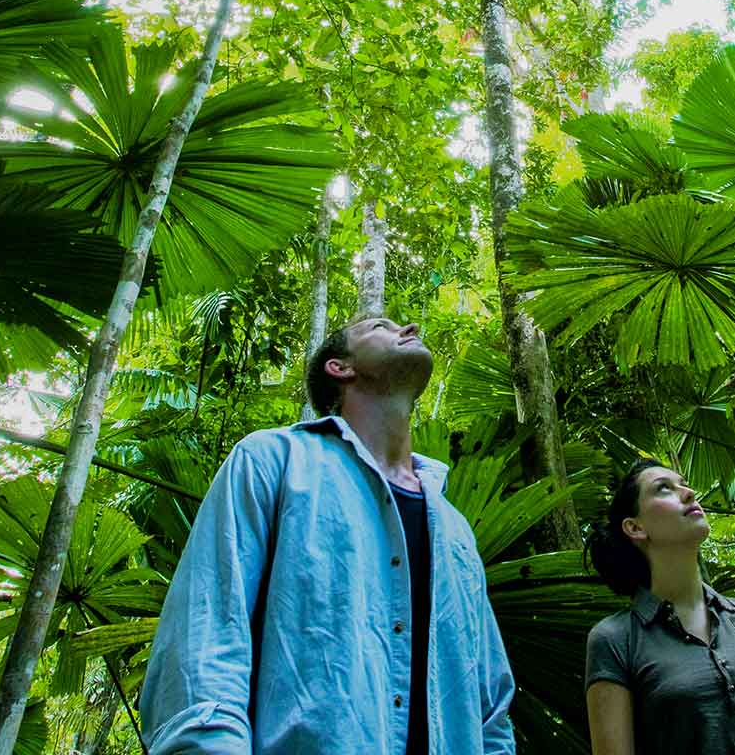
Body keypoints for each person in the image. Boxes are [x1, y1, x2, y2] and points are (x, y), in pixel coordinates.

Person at [140, 317, 516, 755]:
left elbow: (489, 697)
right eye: (381, 326)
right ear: (340, 367)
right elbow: (206, 631)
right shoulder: (273, 460)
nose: (410, 326)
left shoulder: (454, 527)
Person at [583, 459, 735, 755]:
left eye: (684, 484)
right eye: (664, 489)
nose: (688, 493)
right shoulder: (615, 640)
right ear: (635, 527)